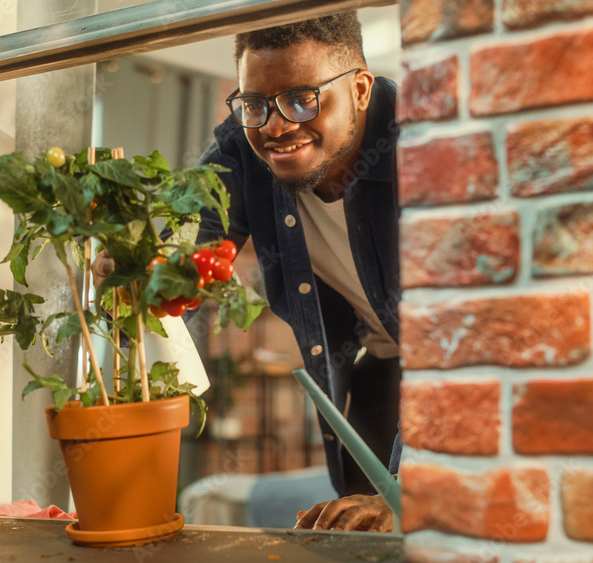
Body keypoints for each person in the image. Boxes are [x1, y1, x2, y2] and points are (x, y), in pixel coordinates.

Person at [95, 11, 401, 532]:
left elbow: (479, 331)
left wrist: (415, 485)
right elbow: (184, 243)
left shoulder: (428, 143)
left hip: (460, 370)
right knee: (358, 529)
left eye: (303, 98)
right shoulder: (243, 149)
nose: (276, 126)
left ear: (362, 89)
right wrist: (140, 267)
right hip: (378, 370)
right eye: (255, 104)